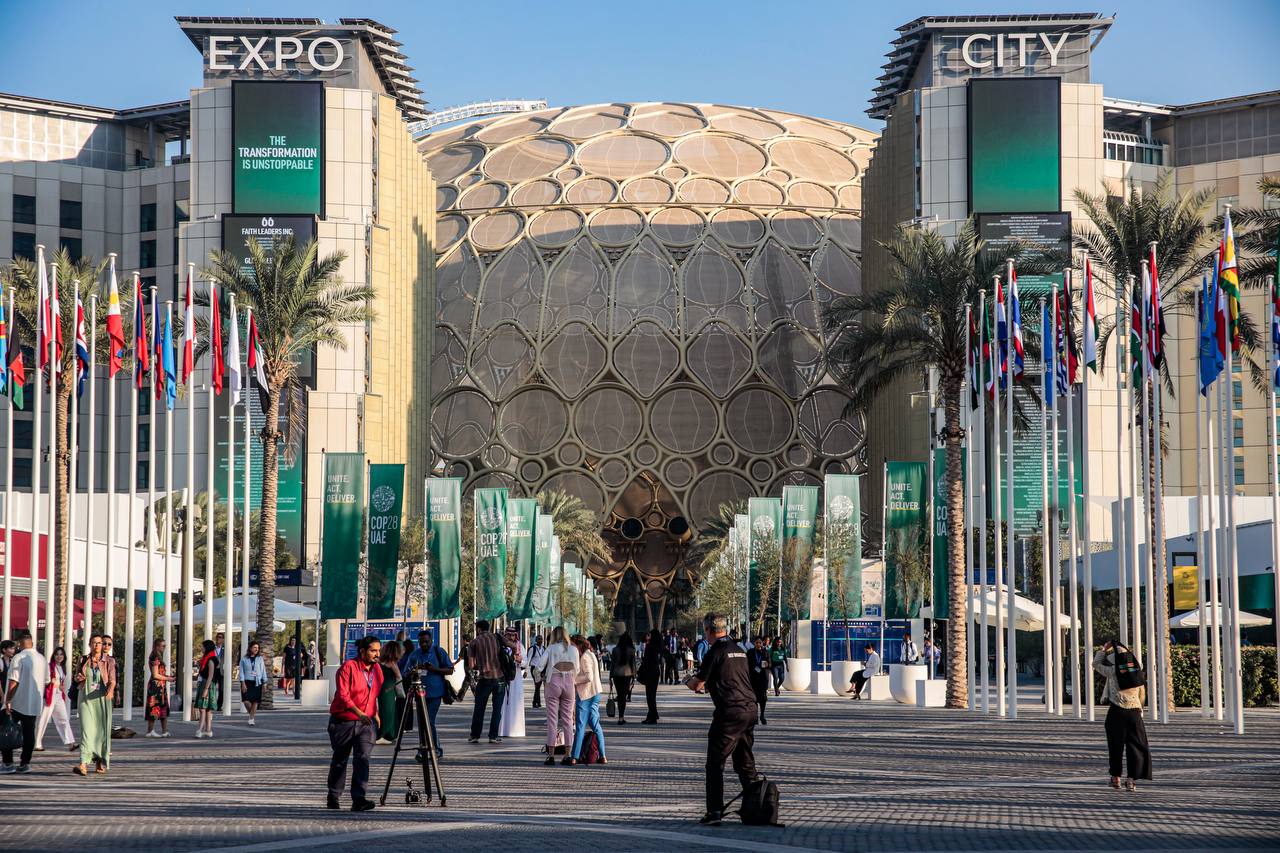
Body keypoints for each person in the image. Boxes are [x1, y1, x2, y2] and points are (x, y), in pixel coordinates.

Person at [687, 613, 758, 826]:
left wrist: (688, 681)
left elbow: (698, 684)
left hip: (729, 714)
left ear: (709, 630)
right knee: (745, 763)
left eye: (705, 631)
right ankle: (755, 806)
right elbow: (733, 680)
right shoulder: (740, 650)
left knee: (715, 763)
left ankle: (715, 811)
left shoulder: (715, 651)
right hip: (749, 709)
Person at [327, 635, 383, 811]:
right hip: (343, 722)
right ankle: (333, 796)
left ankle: (359, 799)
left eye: (378, 650)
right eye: (373, 650)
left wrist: (376, 714)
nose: (377, 654)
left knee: (362, 759)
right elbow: (343, 696)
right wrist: (359, 714)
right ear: (362, 651)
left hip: (366, 724)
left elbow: (373, 694)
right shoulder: (348, 668)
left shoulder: (377, 670)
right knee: (340, 760)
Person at [1094, 641, 1152, 791]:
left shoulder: (1113, 671)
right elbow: (1142, 695)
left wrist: (1103, 649)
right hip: (1134, 712)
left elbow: (1096, 663)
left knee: (1115, 746)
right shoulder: (1137, 671)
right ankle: (1131, 780)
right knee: (1135, 747)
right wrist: (1140, 709)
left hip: (1116, 711)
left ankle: (1115, 777)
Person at [402, 629, 453, 757]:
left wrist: (433, 669)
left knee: (429, 721)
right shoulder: (414, 654)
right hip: (419, 694)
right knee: (421, 723)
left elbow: (450, 670)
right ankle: (423, 749)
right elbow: (405, 673)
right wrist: (415, 670)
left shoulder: (438, 651)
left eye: (426, 642)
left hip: (435, 693)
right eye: (421, 642)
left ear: (431, 641)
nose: (424, 644)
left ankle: (435, 749)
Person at [2, 631, 46, 774]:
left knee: (6, 730)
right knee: (29, 734)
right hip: (33, 703)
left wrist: (8, 699)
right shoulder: (42, 659)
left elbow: (14, 681)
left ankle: (8, 763)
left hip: (16, 703)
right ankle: (25, 763)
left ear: (20, 643)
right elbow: (46, 681)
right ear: (31, 642)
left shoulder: (19, 658)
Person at [467, 620, 514, 744]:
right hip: (500, 678)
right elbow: (513, 646)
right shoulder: (497, 637)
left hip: (484, 680)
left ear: (478, 629)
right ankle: (493, 736)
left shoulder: (474, 642)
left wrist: (481, 665)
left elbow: (471, 665)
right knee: (497, 709)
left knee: (479, 709)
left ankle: (475, 735)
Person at [74, 634, 113, 776]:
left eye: (99, 643)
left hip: (102, 699)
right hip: (85, 698)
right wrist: (79, 677)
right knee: (87, 731)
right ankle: (83, 763)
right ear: (90, 645)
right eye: (94, 643)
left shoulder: (109, 661)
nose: (97, 646)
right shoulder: (83, 659)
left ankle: (98, 761)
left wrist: (111, 691)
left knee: (101, 733)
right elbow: (76, 676)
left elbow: (113, 680)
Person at [567, 635, 607, 765]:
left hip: (586, 695)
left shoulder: (584, 657)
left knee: (580, 726)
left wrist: (574, 680)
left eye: (572, 645)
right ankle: (602, 755)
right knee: (596, 725)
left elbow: (589, 676)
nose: (571, 647)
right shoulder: (591, 654)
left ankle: (574, 756)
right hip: (595, 693)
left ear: (578, 645)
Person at [541, 626, 578, 764]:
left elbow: (540, 665)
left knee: (552, 720)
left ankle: (551, 755)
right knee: (568, 720)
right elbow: (577, 669)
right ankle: (568, 754)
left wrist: (539, 676)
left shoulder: (551, 648)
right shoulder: (573, 649)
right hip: (569, 683)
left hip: (553, 682)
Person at [35, 646, 75, 753]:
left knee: (63, 719)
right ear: (54, 656)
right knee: (43, 719)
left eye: (61, 654)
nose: (59, 656)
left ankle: (70, 743)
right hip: (49, 695)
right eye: (57, 654)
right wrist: (51, 682)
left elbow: (60, 681)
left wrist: (59, 685)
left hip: (58, 695)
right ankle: (37, 743)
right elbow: (44, 680)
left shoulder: (62, 668)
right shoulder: (49, 667)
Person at [144, 639, 175, 737]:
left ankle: (165, 731)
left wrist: (167, 677)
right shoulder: (155, 657)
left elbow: (159, 673)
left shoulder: (158, 656)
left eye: (165, 646)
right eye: (163, 646)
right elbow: (155, 674)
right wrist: (168, 678)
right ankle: (150, 731)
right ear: (157, 646)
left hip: (161, 686)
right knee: (154, 707)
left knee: (163, 707)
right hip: (155, 686)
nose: (164, 648)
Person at [499, 625, 526, 738]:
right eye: (508, 635)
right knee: (503, 703)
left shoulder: (520, 646)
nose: (510, 637)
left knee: (515, 702)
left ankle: (516, 730)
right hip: (503, 676)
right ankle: (502, 730)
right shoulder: (501, 646)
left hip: (516, 678)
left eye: (512, 635)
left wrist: (521, 661)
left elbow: (525, 662)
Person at [375, 641, 403, 745]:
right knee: (389, 712)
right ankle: (388, 734)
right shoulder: (392, 664)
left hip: (382, 689)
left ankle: (384, 734)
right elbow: (399, 678)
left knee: (384, 711)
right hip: (389, 690)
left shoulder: (379, 663)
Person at [637, 628, 664, 724]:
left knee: (650, 696)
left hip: (650, 673)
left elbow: (646, 661)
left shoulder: (650, 646)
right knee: (652, 696)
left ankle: (652, 716)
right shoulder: (658, 647)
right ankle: (652, 715)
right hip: (655, 673)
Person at [194, 639, 220, 738]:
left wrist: (205, 689)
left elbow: (210, 676)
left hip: (207, 685)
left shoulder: (211, 660)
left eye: (203, 647)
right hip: (205, 683)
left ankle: (200, 729)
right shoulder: (206, 658)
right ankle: (208, 730)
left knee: (202, 708)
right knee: (207, 709)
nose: (201, 648)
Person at [239, 640, 268, 726]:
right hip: (247, 682)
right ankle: (251, 714)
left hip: (257, 682)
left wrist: (265, 682)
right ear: (250, 648)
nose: (256, 649)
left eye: (258, 648)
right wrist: (242, 682)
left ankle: (251, 718)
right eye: (255, 647)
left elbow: (263, 670)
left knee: (255, 701)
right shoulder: (244, 659)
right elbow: (241, 672)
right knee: (246, 701)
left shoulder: (260, 659)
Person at [609, 632, 636, 725]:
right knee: (623, 697)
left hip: (616, 674)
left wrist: (610, 677)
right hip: (627, 674)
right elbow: (633, 665)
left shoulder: (615, 650)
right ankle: (621, 717)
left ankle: (620, 717)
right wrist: (634, 677)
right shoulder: (631, 650)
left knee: (620, 695)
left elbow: (612, 664)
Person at [747, 636, 772, 725]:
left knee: (763, 698)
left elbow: (770, 664)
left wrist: (767, 664)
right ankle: (755, 716)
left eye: (760, 643)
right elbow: (747, 664)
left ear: (762, 643)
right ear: (754, 643)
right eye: (757, 642)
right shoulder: (750, 652)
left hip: (762, 678)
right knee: (753, 699)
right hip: (753, 678)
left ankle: (762, 715)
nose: (758, 644)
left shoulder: (765, 652)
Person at [527, 633, 548, 709]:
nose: (540, 640)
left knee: (538, 686)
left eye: (541, 639)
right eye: (539, 639)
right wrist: (526, 670)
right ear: (536, 640)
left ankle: (537, 702)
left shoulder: (544, 649)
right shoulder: (533, 649)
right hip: (534, 669)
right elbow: (528, 660)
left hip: (542, 669)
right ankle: (535, 702)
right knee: (537, 685)